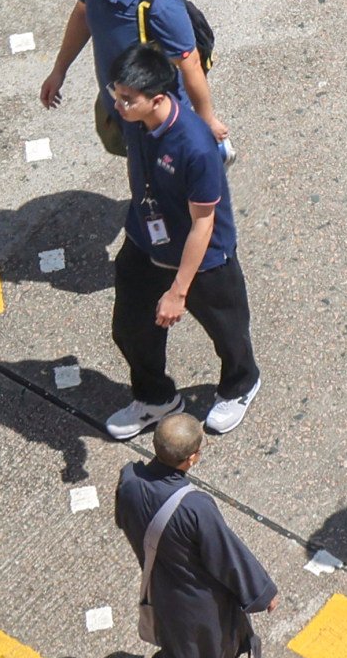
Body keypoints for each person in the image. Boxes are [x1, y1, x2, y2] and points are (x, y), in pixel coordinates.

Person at [103, 45, 254, 434]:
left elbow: (203, 224)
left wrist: (178, 291)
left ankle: (241, 384)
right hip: (144, 239)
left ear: (156, 100)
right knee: (130, 328)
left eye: (126, 99)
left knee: (228, 330)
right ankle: (156, 398)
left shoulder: (195, 147)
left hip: (202, 256)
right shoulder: (134, 120)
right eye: (115, 94)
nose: (118, 106)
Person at [112, 412, 273, 658]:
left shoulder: (129, 480)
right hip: (200, 604)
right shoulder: (195, 506)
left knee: (182, 650)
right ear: (192, 458)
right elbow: (227, 556)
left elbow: (124, 520)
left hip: (160, 588)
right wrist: (263, 593)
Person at [38, 0, 221, 155]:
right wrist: (59, 70)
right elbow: (82, 16)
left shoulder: (161, 6)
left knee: (171, 180)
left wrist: (206, 122)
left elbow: (191, 65)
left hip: (155, 116)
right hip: (122, 102)